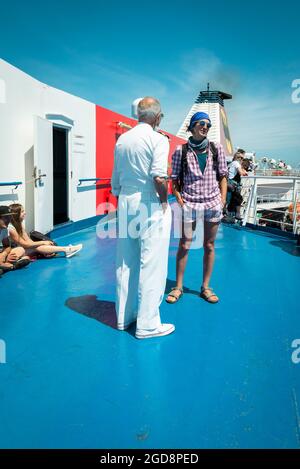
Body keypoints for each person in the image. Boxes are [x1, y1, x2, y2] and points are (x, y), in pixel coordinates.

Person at [111, 96, 174, 339]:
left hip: (125, 200)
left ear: (139, 115)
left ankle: (123, 318)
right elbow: (159, 176)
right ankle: (147, 325)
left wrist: (122, 197)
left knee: (126, 260)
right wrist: (162, 202)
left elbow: (116, 179)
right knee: (152, 263)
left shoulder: (122, 140)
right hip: (148, 201)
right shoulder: (158, 139)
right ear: (158, 117)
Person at [166, 112, 228, 304]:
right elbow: (174, 179)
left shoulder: (216, 148)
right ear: (192, 126)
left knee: (209, 245)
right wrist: (179, 199)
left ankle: (206, 287)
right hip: (189, 203)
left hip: (212, 203)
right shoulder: (180, 151)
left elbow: (223, 176)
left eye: (208, 125)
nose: (205, 127)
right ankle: (178, 287)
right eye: (202, 123)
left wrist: (222, 200)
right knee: (185, 244)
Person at [8, 204, 83, 259]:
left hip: (23, 249)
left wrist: (40, 245)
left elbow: (29, 241)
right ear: (16, 215)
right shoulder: (11, 228)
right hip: (14, 252)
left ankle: (65, 249)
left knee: (37, 247)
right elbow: (25, 245)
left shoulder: (19, 224)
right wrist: (43, 242)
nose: (25, 213)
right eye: (22, 212)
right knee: (35, 247)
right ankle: (66, 249)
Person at [0, 206, 30, 272]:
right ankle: (11, 266)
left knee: (20, 249)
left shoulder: (4, 230)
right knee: (24, 257)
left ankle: (4, 266)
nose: (9, 220)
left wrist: (4, 255)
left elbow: (7, 246)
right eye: (6, 217)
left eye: (10, 217)